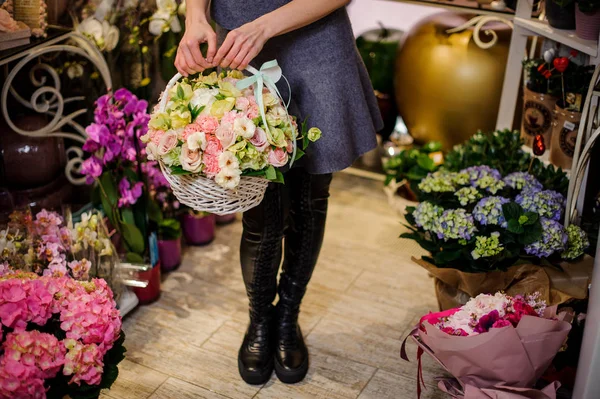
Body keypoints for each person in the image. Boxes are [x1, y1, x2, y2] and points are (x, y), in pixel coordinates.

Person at [175, 0, 383, 385]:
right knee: (259, 209)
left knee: (309, 198)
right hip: (238, 50)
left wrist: (265, 26)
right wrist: (195, 16)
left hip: (316, 41)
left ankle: (288, 315)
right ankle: (260, 321)